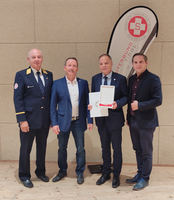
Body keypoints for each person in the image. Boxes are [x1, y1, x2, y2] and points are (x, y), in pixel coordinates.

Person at [13, 49, 53, 188]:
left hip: (44, 120)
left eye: (39, 57)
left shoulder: (49, 75)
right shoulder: (21, 75)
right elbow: (18, 99)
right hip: (28, 121)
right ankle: (24, 175)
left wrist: (50, 119)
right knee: (25, 149)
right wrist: (22, 120)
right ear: (28, 59)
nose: (36, 59)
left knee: (42, 148)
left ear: (42, 58)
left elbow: (48, 99)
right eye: (33, 57)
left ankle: (41, 172)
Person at [50, 57, 93, 184]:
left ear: (77, 69)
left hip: (79, 122)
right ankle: (62, 170)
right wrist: (54, 123)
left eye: (74, 66)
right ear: (65, 68)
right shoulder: (57, 84)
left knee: (80, 148)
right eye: (69, 65)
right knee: (62, 148)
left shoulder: (83, 83)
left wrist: (90, 119)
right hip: (62, 122)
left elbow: (88, 103)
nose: (71, 68)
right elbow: (52, 106)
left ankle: (80, 172)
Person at [90, 54, 128, 188]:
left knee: (116, 149)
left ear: (111, 63)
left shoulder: (121, 79)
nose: (104, 66)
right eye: (101, 63)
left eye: (106, 63)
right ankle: (106, 172)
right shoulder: (95, 79)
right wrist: (91, 105)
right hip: (101, 119)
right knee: (104, 147)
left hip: (115, 119)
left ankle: (116, 175)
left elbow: (126, 97)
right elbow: (93, 97)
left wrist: (118, 103)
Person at [126, 53, 162, 190]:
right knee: (137, 150)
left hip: (147, 122)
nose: (138, 64)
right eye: (135, 62)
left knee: (146, 152)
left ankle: (145, 178)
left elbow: (158, 100)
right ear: (133, 64)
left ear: (146, 62)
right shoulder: (131, 79)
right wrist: (128, 117)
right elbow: (130, 100)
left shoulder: (153, 79)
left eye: (141, 61)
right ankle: (140, 173)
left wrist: (139, 105)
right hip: (133, 120)